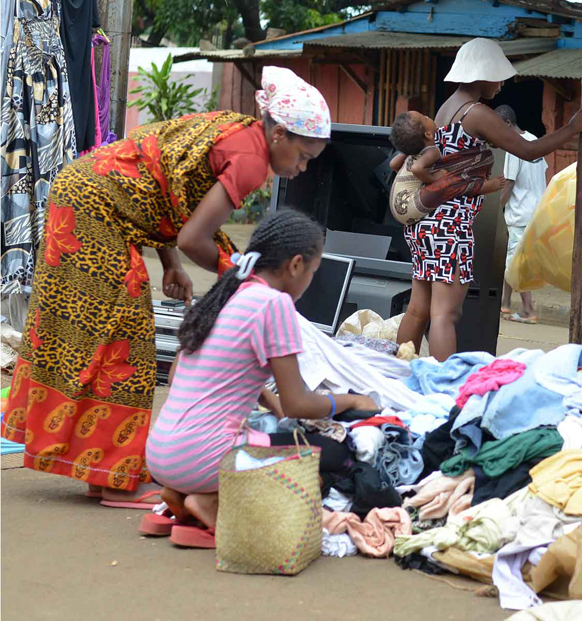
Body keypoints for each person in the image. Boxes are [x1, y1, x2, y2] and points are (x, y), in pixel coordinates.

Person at [1, 66, 332, 506]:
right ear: (279, 136)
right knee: (124, 342)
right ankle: (113, 480)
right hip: (95, 210)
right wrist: (247, 280)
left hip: (88, 195)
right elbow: (194, 237)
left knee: (97, 339)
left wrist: (170, 263)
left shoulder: (238, 130)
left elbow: (164, 188)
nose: (303, 168)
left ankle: (104, 471)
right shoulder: (252, 161)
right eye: (304, 156)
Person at [144, 211, 379, 547]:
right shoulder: (274, 303)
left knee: (268, 437)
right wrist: (354, 400)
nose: (310, 281)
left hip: (161, 453)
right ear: (296, 265)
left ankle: (180, 495)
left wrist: (267, 400)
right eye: (313, 272)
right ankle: (211, 501)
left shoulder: (227, 293)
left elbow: (182, 369)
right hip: (204, 459)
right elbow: (298, 404)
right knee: (334, 456)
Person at [396, 38, 582, 361]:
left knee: (419, 309)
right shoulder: (476, 113)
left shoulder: (447, 107)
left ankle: (399, 368)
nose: (502, 83)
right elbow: (528, 151)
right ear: (482, 74)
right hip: (450, 225)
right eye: (497, 75)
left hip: (426, 221)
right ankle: (443, 389)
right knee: (446, 314)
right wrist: (572, 128)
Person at [388, 110, 505, 226]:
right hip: (411, 207)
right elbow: (416, 169)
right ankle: (481, 186)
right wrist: (434, 179)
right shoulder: (432, 151)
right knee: (450, 182)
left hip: (396, 209)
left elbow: (393, 165)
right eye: (425, 118)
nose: (428, 116)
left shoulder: (411, 154)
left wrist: (406, 153)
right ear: (428, 134)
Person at [495, 104, 548, 324]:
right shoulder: (533, 139)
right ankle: (505, 304)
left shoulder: (512, 147)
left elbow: (509, 183)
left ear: (507, 124)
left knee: (517, 263)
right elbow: (544, 170)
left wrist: (497, 209)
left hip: (518, 214)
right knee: (515, 258)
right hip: (535, 212)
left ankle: (528, 311)